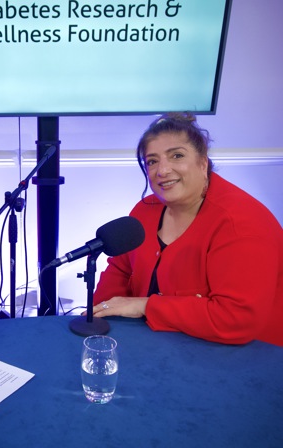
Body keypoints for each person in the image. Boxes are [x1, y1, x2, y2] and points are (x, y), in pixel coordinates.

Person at [91, 112, 283, 346]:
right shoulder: (144, 210)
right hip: (161, 343)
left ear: (203, 163)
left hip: (245, 353)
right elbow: (120, 270)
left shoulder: (242, 223)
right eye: (152, 161)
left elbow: (236, 319)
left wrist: (145, 306)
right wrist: (100, 318)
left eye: (177, 156)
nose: (162, 170)